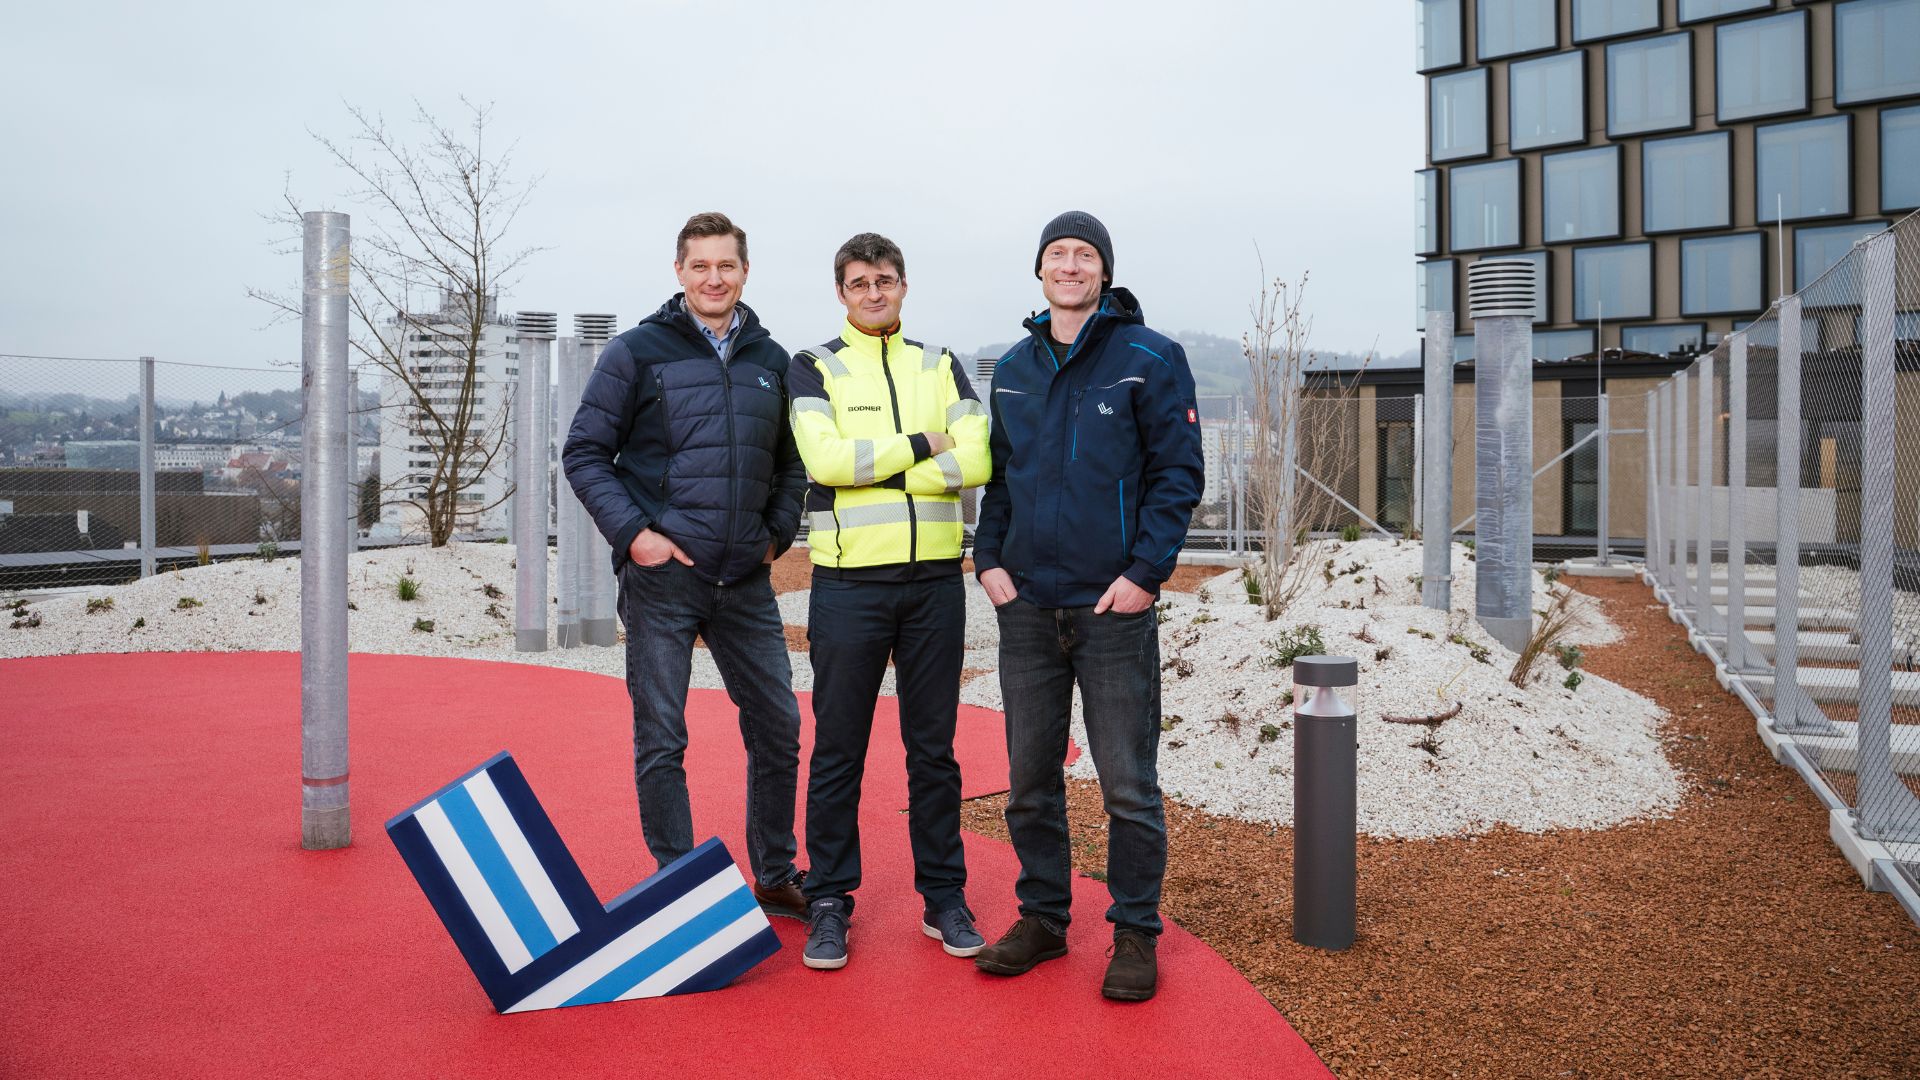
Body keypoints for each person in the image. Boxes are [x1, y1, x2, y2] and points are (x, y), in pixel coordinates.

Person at [970, 211, 1204, 1002]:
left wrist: (1146, 572)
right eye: (1056, 254)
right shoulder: (1012, 367)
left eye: (1084, 254)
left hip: (1114, 610)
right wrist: (988, 558)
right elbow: (1001, 479)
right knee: (1030, 782)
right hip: (1028, 609)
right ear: (1040, 271)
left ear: (1103, 270)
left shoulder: (1149, 357)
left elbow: (1178, 476)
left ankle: (1135, 932)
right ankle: (1043, 920)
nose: (1070, 265)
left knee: (1128, 785)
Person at [562, 211, 808, 920]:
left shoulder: (771, 361)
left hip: (747, 579)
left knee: (778, 726)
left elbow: (792, 465)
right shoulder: (637, 352)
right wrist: (637, 535)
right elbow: (584, 454)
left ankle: (775, 869)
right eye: (699, 265)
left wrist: (776, 534)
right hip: (664, 578)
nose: (714, 278)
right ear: (679, 272)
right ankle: (677, 882)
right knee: (663, 734)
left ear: (745, 272)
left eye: (726, 265)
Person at [785, 233, 992, 970]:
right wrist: (925, 445)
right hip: (847, 587)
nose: (874, 292)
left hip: (936, 582)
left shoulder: (939, 364)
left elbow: (979, 460)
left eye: (886, 280)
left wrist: (890, 470)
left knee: (933, 752)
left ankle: (944, 897)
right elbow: (826, 462)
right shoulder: (814, 365)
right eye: (859, 282)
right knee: (839, 749)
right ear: (840, 292)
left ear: (905, 285)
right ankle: (831, 900)